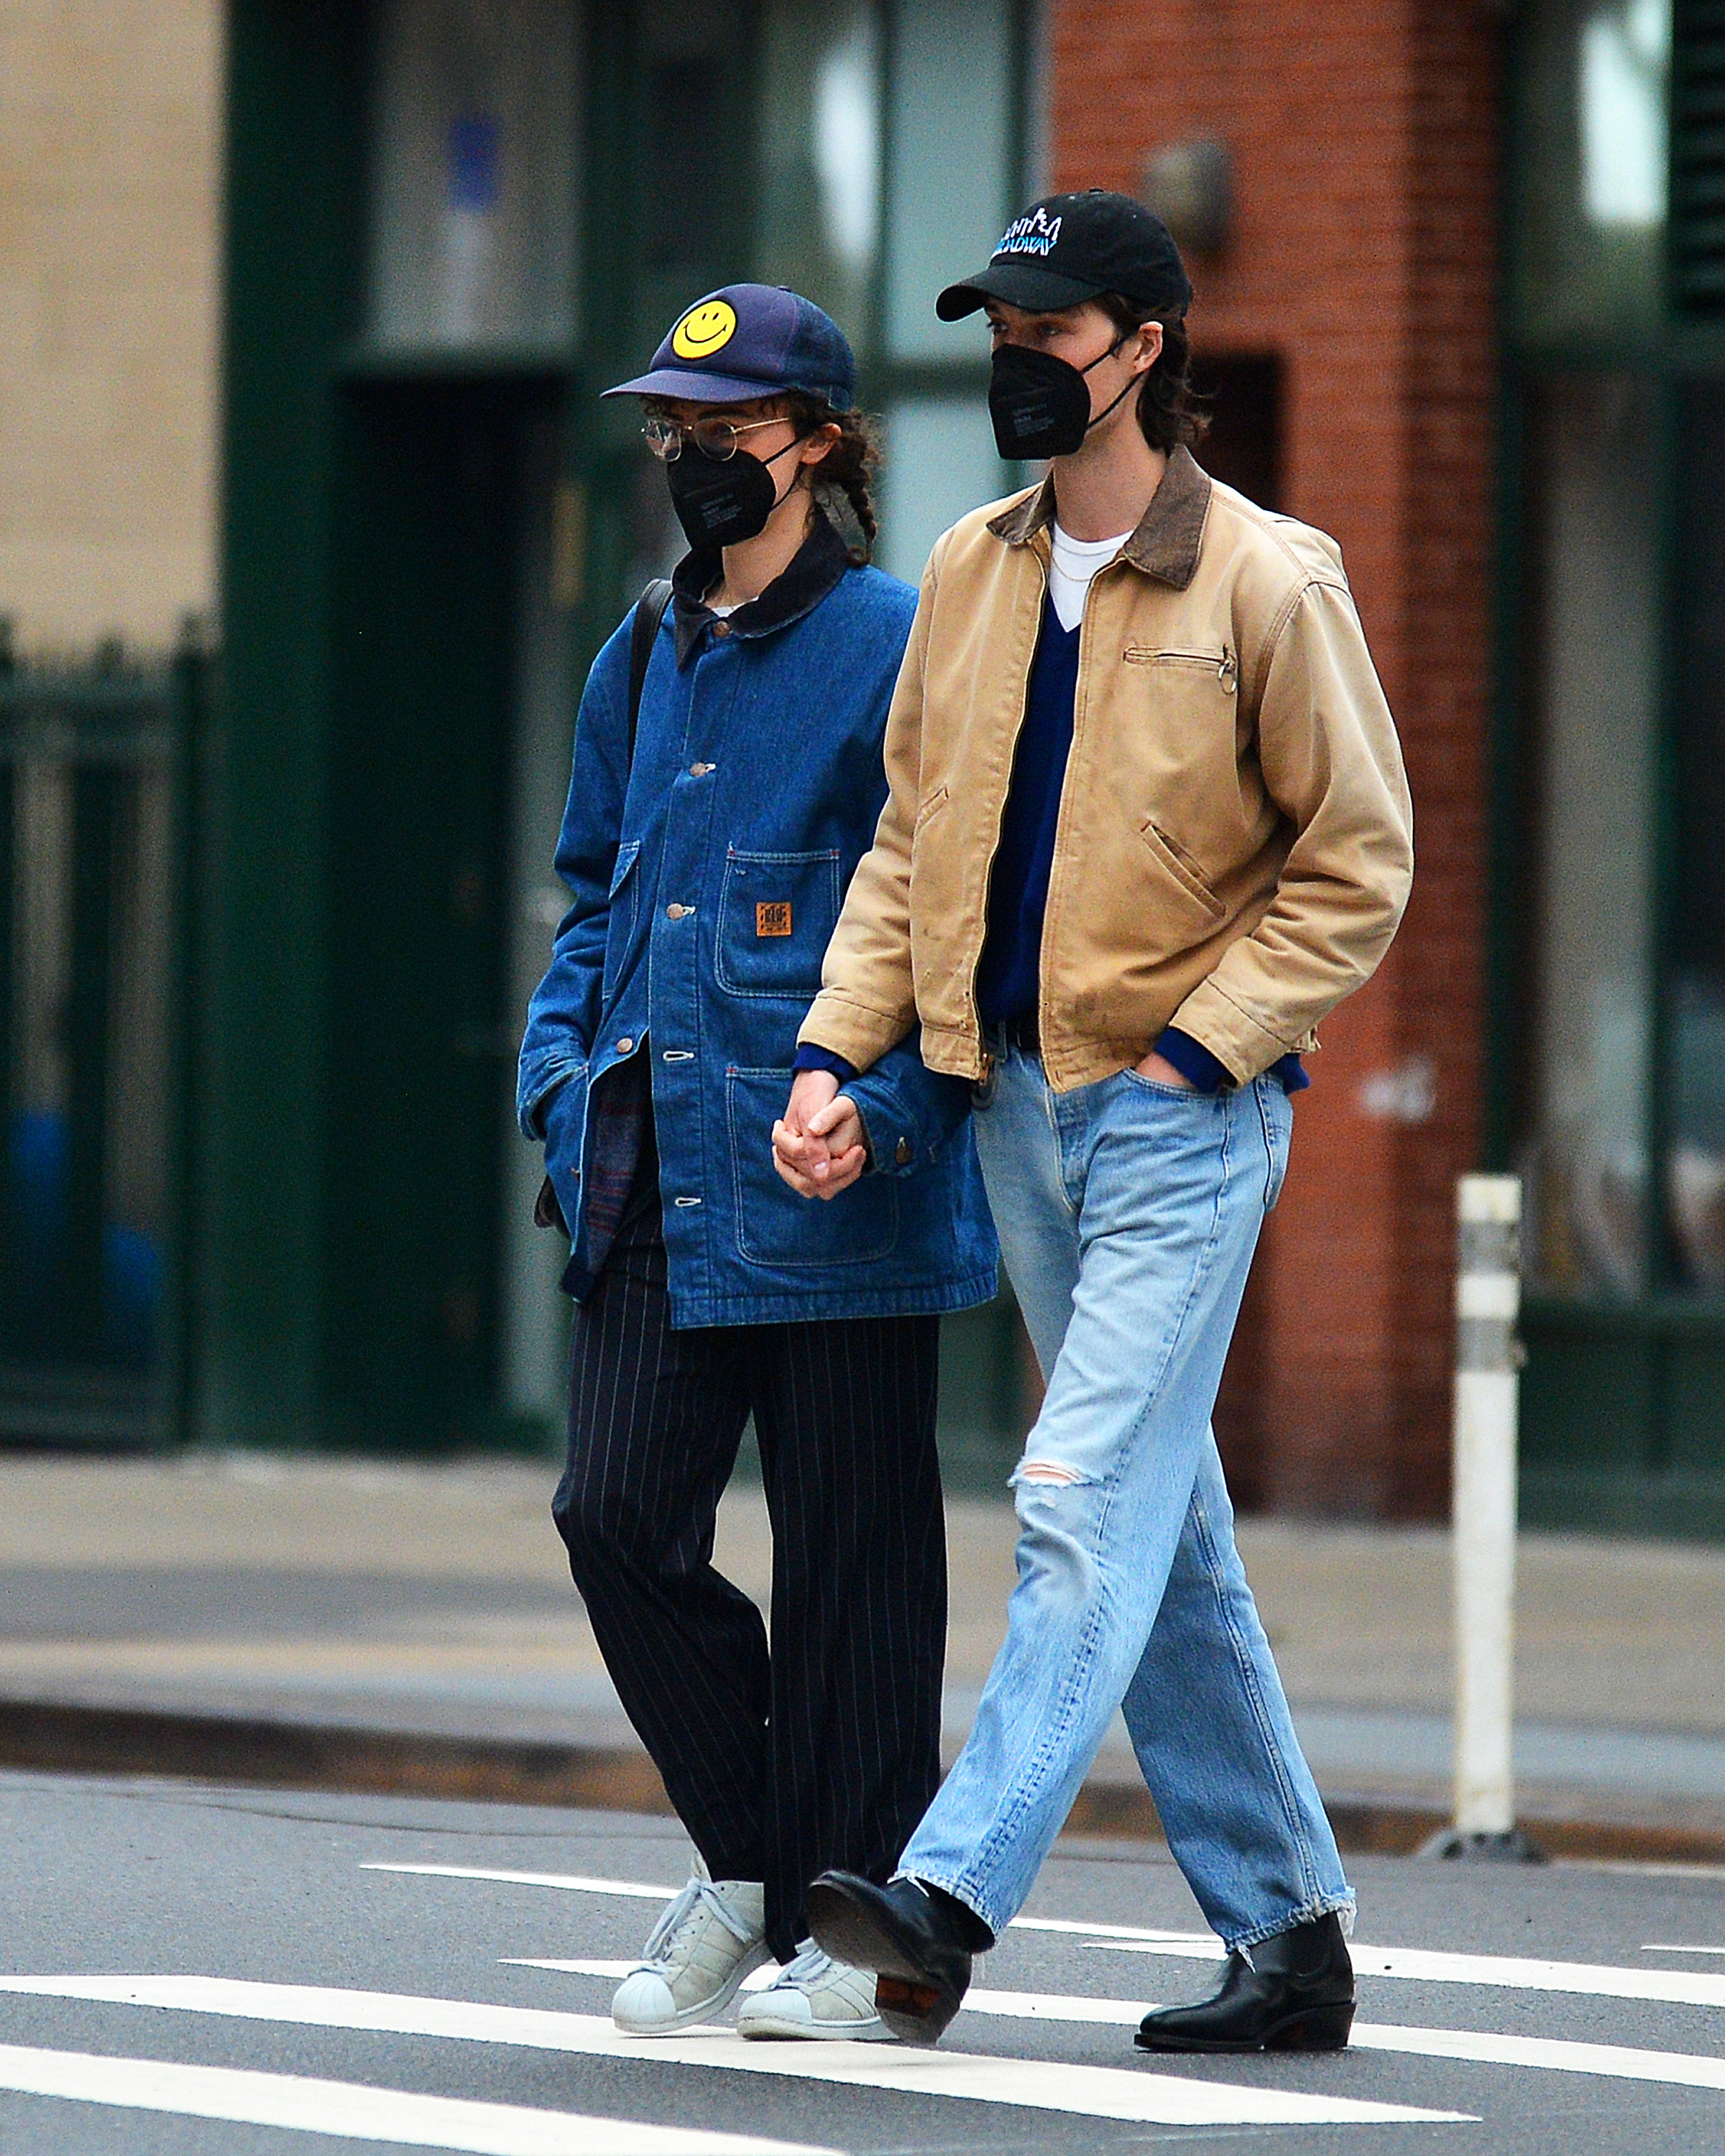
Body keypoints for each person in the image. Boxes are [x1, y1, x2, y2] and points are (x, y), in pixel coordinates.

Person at [776, 192, 1413, 2052]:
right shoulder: (974, 570)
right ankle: (1290, 1939)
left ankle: (947, 1896)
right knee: (1163, 1530)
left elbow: (1356, 866)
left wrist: (1200, 1055)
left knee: (1071, 1501)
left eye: (1050, 333)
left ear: (1144, 347)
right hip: (1011, 1121)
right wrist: (836, 1055)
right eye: (1000, 329)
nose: (1015, 365)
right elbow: (910, 844)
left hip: (1176, 1127)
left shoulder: (1267, 581)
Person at [518, 283, 995, 2043]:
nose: (694, 461)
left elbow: (953, 931)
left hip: (837, 1178)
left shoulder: (900, 643)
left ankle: (842, 1927)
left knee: (855, 1562)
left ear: (819, 444)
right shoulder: (640, 654)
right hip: (656, 1166)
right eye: (675, 433)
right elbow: (591, 899)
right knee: (612, 1512)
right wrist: (557, 1078)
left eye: (727, 432)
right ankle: (754, 1865)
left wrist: (886, 1118)